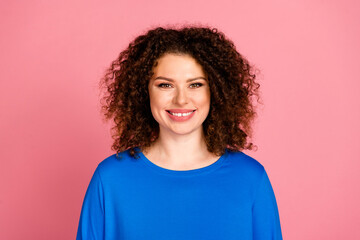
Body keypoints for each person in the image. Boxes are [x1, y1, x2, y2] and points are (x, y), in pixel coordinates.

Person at [76, 25, 283, 240]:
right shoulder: (109, 180)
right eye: (165, 85)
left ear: (217, 92)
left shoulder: (251, 178)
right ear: (143, 91)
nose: (181, 99)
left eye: (195, 85)